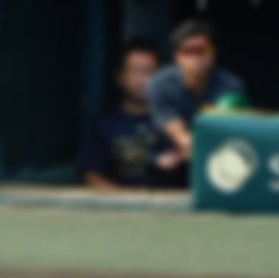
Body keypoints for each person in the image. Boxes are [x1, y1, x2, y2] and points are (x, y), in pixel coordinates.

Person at [80, 38, 182, 189]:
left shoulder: (175, 122)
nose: (142, 80)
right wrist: (123, 202)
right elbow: (92, 175)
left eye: (149, 72)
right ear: (121, 77)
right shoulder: (104, 125)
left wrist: (180, 156)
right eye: (135, 72)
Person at [146, 19, 246, 169]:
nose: (196, 58)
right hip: (171, 156)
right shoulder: (159, 84)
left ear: (213, 54)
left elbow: (227, 133)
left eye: (202, 51)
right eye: (189, 51)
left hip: (216, 156)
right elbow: (180, 136)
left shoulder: (231, 86)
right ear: (177, 56)